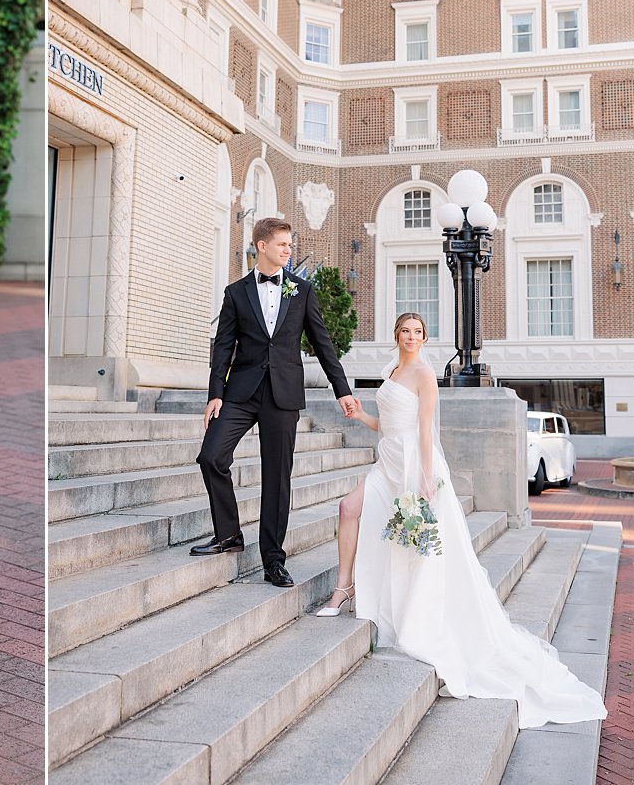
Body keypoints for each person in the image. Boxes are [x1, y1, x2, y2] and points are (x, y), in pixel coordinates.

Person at [318, 312, 606, 728]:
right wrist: (361, 417)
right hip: (387, 461)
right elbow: (388, 426)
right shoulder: (392, 370)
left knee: (416, 546)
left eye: (418, 332)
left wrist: (423, 477)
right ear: (396, 335)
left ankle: (411, 611)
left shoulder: (423, 373)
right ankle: (343, 589)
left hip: (414, 466)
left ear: (425, 338)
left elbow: (424, 430)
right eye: (405, 331)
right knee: (348, 509)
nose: (411, 337)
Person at [194, 218, 359, 587]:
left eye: (289, 244)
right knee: (211, 456)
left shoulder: (302, 291)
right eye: (282, 244)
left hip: (283, 394)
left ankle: (273, 560)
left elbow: (323, 344)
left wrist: (342, 389)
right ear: (262, 246)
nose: (288, 250)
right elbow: (223, 347)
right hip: (241, 391)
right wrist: (215, 394)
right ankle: (229, 534)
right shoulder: (235, 292)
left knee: (276, 479)